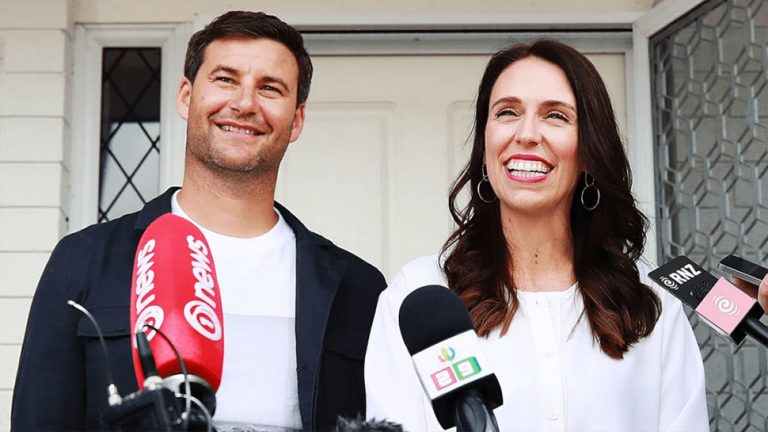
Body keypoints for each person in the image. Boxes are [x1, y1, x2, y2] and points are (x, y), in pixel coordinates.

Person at [12, 11, 386, 431]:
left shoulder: (361, 288)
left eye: (270, 88)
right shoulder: (83, 260)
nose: (245, 104)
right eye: (225, 79)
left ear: (296, 119)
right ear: (186, 96)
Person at [365, 40, 709, 431]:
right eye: (507, 112)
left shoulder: (651, 298)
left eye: (556, 116)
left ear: (588, 151)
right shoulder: (420, 292)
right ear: (484, 145)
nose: (527, 134)